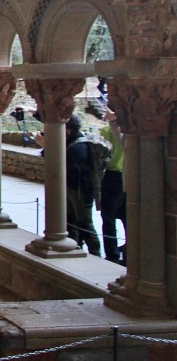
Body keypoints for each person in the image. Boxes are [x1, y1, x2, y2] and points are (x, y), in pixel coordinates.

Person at [65, 114, 102, 257]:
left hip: (81, 191)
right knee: (70, 220)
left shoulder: (78, 147)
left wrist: (46, 145)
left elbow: (61, 163)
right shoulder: (72, 142)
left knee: (84, 223)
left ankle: (95, 253)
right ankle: (73, 246)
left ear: (67, 130)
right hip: (73, 188)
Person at [100, 107, 127, 264]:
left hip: (112, 176)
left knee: (108, 216)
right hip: (129, 175)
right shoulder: (134, 132)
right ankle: (130, 251)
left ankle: (112, 253)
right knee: (128, 216)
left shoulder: (106, 130)